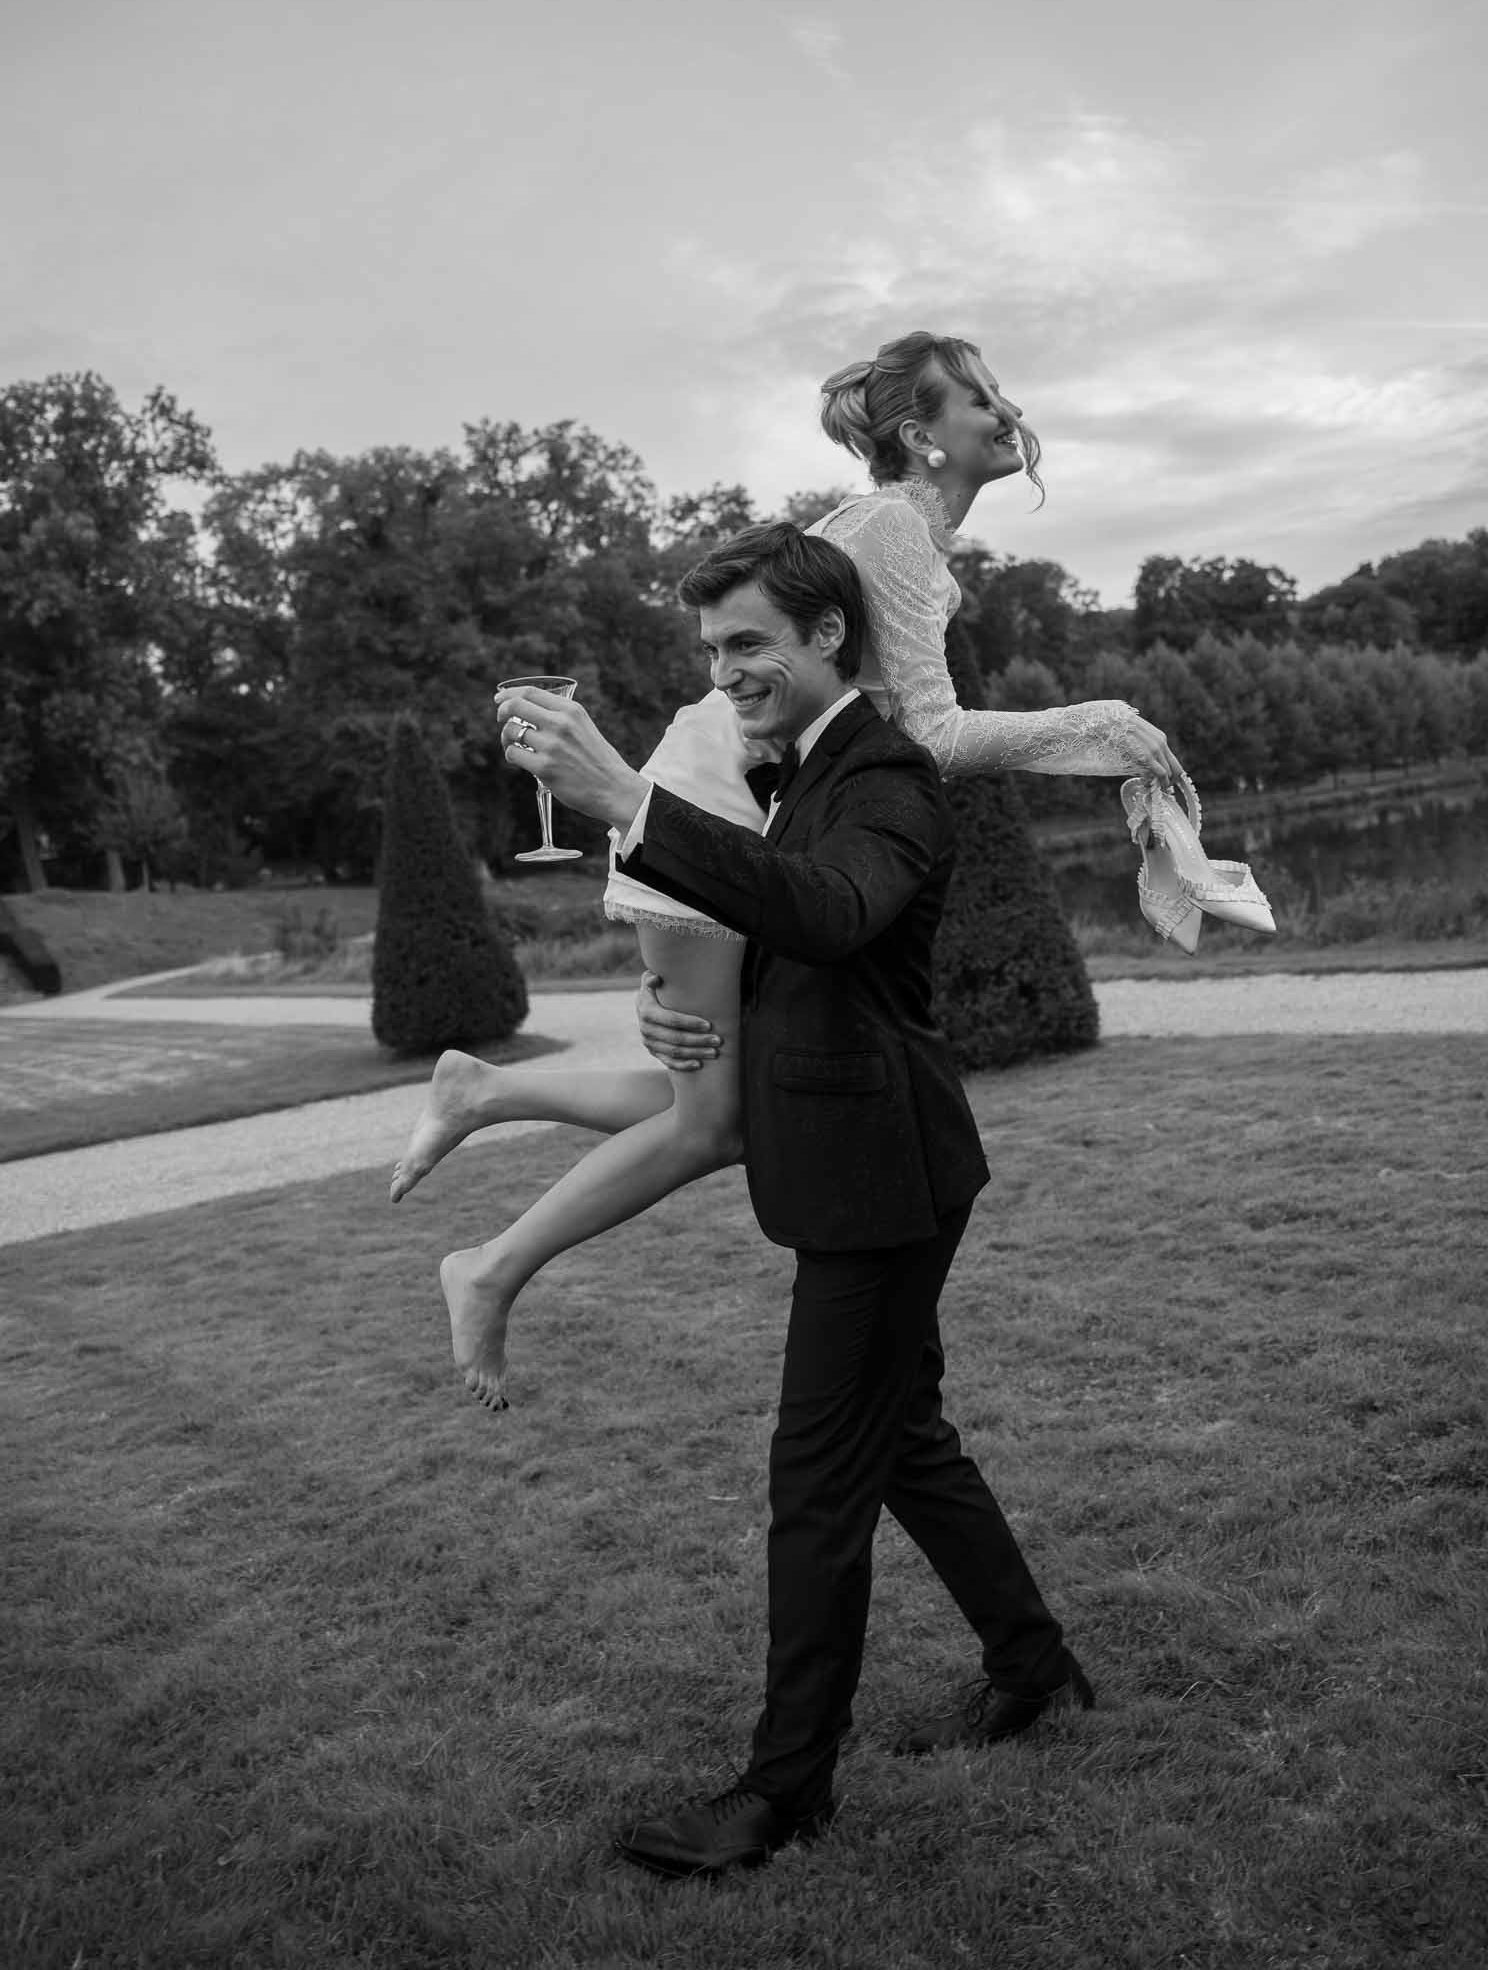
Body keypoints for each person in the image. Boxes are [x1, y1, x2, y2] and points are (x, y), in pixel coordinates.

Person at [392, 329, 1186, 1409]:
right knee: (717, 1119)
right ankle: (487, 1265)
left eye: (1002, 395)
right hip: (714, 810)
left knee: (722, 1101)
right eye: (981, 400)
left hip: (760, 825)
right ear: (921, 434)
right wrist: (1098, 730)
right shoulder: (892, 529)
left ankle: (486, 1090)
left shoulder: (899, 536)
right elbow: (933, 736)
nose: (1006, 415)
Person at [492, 522, 1093, 1879]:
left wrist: (627, 803)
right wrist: (675, 1006)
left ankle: (782, 1792)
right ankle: (1035, 1664)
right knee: (906, 1442)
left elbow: (829, 911)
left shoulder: (887, 777)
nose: (729, 673)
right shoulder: (792, 773)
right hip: (864, 1159)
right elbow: (785, 937)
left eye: (750, 643)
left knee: (815, 1483)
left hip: (886, 1180)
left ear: (828, 636)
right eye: (712, 652)